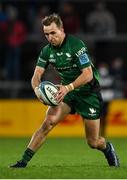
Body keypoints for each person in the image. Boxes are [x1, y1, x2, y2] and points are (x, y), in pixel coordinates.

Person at [10, 13, 119, 168]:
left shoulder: (76, 45)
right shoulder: (47, 51)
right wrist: (37, 91)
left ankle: (108, 148)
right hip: (66, 92)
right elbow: (36, 76)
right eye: (46, 34)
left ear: (62, 30)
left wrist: (68, 87)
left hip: (88, 93)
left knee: (93, 142)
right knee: (48, 123)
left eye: (53, 33)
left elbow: (87, 74)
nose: (50, 37)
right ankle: (23, 162)